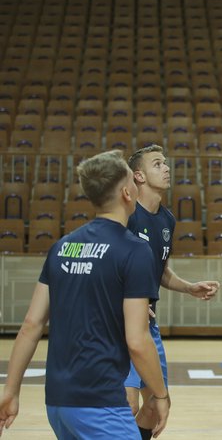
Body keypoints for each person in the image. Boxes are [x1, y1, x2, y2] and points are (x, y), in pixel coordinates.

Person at [0, 150, 170, 439]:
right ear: (128, 193)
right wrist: (161, 394)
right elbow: (138, 341)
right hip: (100, 403)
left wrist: (11, 390)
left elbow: (31, 326)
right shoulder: (134, 250)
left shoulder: (62, 247)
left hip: (57, 402)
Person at [124, 145, 220, 440]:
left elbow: (161, 271)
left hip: (148, 324)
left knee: (156, 404)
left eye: (165, 163)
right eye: (157, 164)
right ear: (138, 176)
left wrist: (189, 287)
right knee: (126, 405)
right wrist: (124, 302)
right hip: (121, 323)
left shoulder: (166, 220)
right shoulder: (124, 215)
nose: (166, 168)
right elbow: (106, 267)